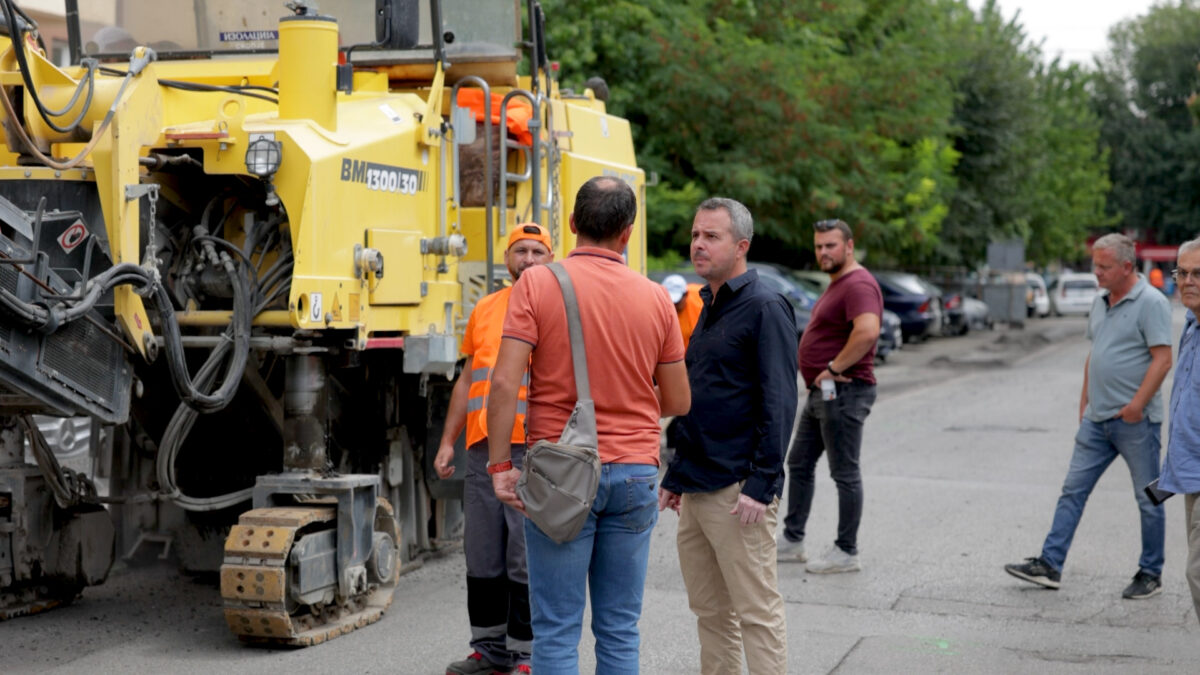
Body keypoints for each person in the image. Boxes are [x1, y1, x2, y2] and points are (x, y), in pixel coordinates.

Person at [486, 176, 691, 673]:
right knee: (620, 630)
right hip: (635, 473)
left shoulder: (538, 283)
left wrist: (499, 467)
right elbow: (680, 400)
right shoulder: (655, 298)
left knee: (555, 629)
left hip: (559, 473)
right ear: (628, 231)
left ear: (573, 224)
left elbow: (502, 384)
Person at [659, 197, 798, 675]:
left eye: (711, 236)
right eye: (696, 234)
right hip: (697, 487)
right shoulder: (707, 305)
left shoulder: (765, 307)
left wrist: (762, 483)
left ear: (741, 246)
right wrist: (676, 475)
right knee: (711, 614)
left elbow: (779, 401)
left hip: (739, 492)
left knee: (756, 614)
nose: (698, 244)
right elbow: (703, 400)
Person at [1005, 233, 1172, 599]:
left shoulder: (1152, 302)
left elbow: (1162, 359)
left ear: (1127, 267)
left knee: (1150, 497)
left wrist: (1136, 406)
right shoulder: (1100, 301)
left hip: (1137, 423)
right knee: (1072, 492)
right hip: (1097, 422)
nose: (1095, 272)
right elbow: (1095, 354)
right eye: (1095, 264)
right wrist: (1085, 404)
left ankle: (1150, 572)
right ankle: (1050, 564)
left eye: (1103, 266)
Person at [433, 223, 554, 675]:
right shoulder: (485, 307)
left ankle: (527, 654)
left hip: (533, 447)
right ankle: (489, 650)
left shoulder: (557, 307)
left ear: (550, 259)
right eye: (520, 251)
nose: (528, 259)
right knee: (482, 552)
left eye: (537, 252)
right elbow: (468, 379)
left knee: (525, 554)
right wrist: (449, 442)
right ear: (507, 260)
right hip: (483, 448)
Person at [778, 218, 882, 574]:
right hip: (824, 392)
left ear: (849, 246)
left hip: (844, 389)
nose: (823, 251)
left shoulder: (858, 284)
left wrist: (835, 368)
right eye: (819, 245)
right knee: (799, 462)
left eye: (831, 245)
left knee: (845, 473)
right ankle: (793, 541)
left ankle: (846, 551)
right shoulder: (839, 283)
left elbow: (867, 332)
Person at [1158, 238, 1200, 622]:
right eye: (1182, 273)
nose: (1188, 281)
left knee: (1197, 573)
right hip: (1190, 474)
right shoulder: (1191, 323)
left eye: (1198, 273)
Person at [661, 273, 704, 348]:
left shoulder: (702, 300)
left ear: (686, 295)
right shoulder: (659, 310)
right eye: (669, 301)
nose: (673, 305)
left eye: (677, 302)